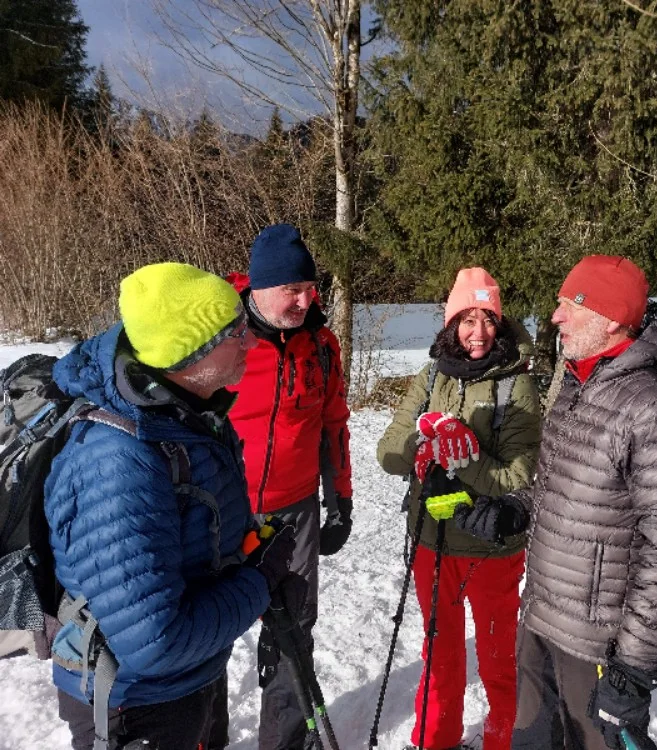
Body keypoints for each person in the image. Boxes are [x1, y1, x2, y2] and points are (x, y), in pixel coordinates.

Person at [46, 262, 296, 750]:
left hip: (186, 683)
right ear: (189, 352)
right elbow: (158, 643)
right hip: (133, 707)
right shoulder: (121, 463)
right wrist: (259, 582)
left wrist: (249, 553)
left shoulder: (183, 411)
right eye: (236, 333)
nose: (251, 342)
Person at [456, 256, 657, 750]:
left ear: (611, 319)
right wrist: (514, 508)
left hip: (596, 642)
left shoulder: (652, 411)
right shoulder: (576, 384)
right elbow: (552, 481)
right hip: (541, 619)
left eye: (570, 305)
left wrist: (633, 667)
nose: (555, 317)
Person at [377, 267, 543, 750]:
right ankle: (435, 740)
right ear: (451, 324)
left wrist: (465, 455)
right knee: (440, 655)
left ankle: (501, 739)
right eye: (468, 320)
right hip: (433, 541)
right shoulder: (431, 375)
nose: (479, 333)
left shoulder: (517, 386)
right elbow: (387, 451)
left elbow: (517, 475)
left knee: (496, 659)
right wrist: (420, 444)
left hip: (492, 547)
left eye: (488, 318)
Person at [225, 223, 353, 750]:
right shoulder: (222, 334)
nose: (304, 300)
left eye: (309, 289)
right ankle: (201, 735)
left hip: (294, 511)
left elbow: (334, 425)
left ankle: (282, 743)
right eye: (291, 290)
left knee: (293, 632)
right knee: (205, 632)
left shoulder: (321, 345)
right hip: (223, 509)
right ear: (259, 287)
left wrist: (340, 498)